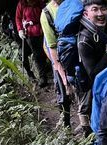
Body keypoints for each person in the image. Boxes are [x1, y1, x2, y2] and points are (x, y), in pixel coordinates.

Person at [75, 0, 107, 135]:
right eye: (95, 9)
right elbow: (93, 74)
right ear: (86, 14)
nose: (100, 13)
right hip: (93, 83)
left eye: (103, 9)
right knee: (98, 118)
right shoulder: (84, 39)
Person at [40, 0, 72, 128]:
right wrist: (62, 73)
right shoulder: (46, 14)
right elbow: (50, 46)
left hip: (78, 55)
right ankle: (66, 124)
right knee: (63, 93)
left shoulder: (75, 4)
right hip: (58, 58)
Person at [15, 0, 49, 87]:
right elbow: (18, 18)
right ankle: (43, 77)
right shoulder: (22, 4)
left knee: (45, 52)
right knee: (37, 54)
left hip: (42, 30)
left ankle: (47, 71)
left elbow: (46, 12)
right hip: (30, 33)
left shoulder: (40, 2)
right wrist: (20, 30)